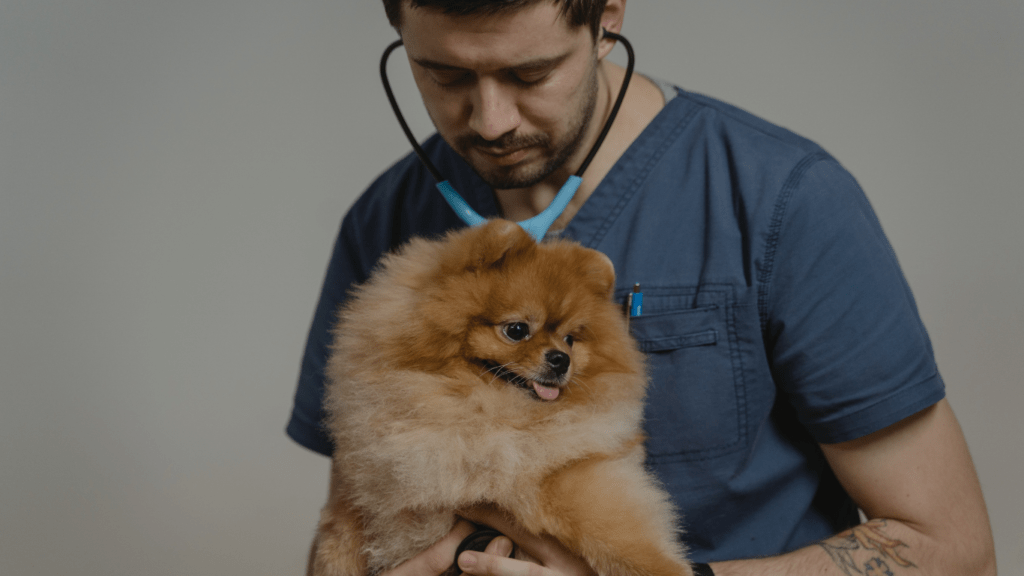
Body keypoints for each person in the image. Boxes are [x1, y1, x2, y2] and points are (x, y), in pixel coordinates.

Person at [287, 1, 996, 575]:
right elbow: (350, 518)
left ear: (608, 20)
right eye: (445, 76)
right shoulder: (385, 223)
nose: (490, 119)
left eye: (530, 75)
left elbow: (953, 550)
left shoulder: (783, 200)